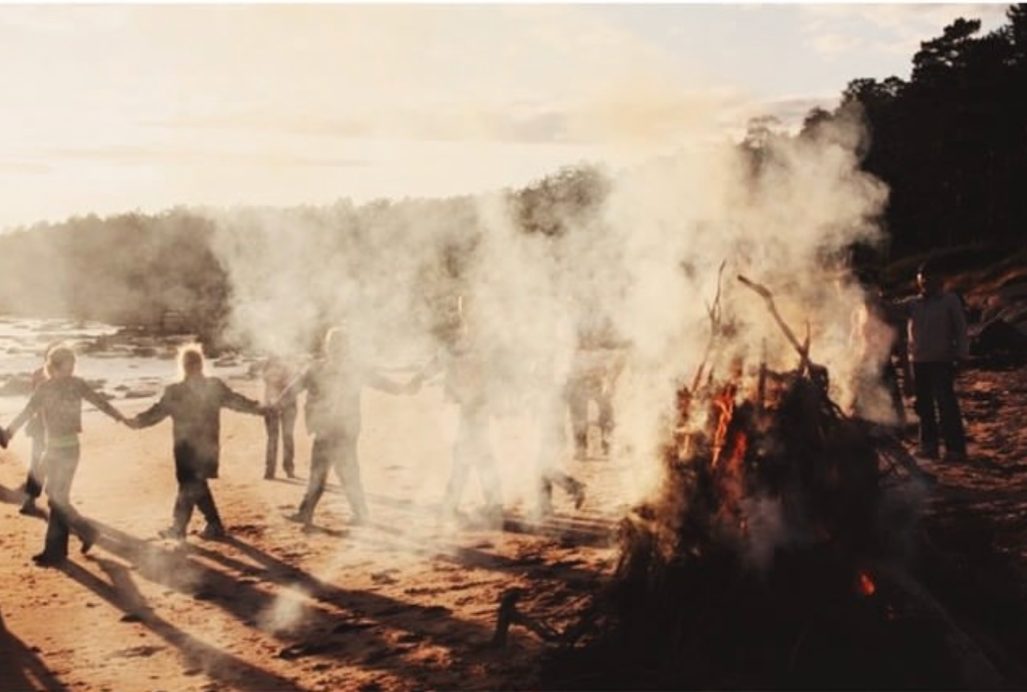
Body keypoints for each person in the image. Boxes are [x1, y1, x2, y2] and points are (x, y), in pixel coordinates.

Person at [278, 326, 415, 529]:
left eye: (340, 344)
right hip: (333, 427)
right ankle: (357, 514)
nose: (337, 348)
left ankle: (309, 512)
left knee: (326, 470)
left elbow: (382, 382)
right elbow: (293, 388)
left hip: (341, 428)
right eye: (334, 344)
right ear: (327, 346)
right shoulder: (322, 369)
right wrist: (277, 403)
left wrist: (403, 388)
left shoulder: (342, 369)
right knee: (342, 471)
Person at [4, 345, 129, 567]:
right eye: (65, 367)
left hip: (69, 450)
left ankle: (58, 550)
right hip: (51, 450)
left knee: (57, 499)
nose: (69, 371)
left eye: (72, 367)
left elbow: (99, 401)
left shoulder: (76, 384)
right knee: (55, 498)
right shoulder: (45, 388)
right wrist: (8, 434)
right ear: (52, 367)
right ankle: (83, 534)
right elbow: (27, 412)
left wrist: (120, 417)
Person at [127, 344, 267, 540]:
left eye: (193, 363)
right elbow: (237, 402)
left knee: (190, 485)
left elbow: (156, 412)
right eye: (191, 363)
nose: (192, 366)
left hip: (192, 447)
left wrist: (136, 422)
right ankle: (206, 525)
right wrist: (260, 409)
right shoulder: (204, 388)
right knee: (194, 485)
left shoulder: (185, 390)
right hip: (198, 446)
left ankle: (183, 528)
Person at [411, 308, 503, 528]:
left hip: (475, 408)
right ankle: (488, 503)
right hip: (471, 408)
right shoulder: (467, 343)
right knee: (478, 455)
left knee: (467, 456)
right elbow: (440, 360)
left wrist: (415, 380)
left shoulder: (479, 344)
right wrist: (417, 379)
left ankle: (454, 505)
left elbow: (443, 361)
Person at [903, 260, 970, 461]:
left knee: (947, 405)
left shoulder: (949, 301)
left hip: (942, 360)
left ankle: (955, 449)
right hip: (919, 361)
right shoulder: (913, 303)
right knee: (924, 406)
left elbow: (961, 330)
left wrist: (962, 355)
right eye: (922, 277)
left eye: (930, 276)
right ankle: (928, 446)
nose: (925, 280)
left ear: (940, 279)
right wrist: (869, 297)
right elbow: (888, 310)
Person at [850, 274, 907, 428]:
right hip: (864, 356)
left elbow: (898, 336)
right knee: (861, 390)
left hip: (882, 356)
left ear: (876, 290)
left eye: (870, 289)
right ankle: (863, 420)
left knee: (890, 389)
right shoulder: (857, 312)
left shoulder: (886, 309)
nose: (866, 294)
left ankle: (899, 422)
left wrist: (904, 363)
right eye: (863, 290)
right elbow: (854, 337)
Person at [18, 345, 55, 515]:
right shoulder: (47, 375)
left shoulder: (39, 373)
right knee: (45, 463)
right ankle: (37, 499)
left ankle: (31, 500)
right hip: (47, 427)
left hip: (43, 426)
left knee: (38, 463)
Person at [261, 355, 299, 480]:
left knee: (283, 437)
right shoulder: (270, 362)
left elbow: (294, 382)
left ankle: (281, 469)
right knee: (277, 437)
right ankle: (275, 470)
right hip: (274, 403)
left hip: (285, 404)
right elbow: (267, 379)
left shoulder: (287, 362)